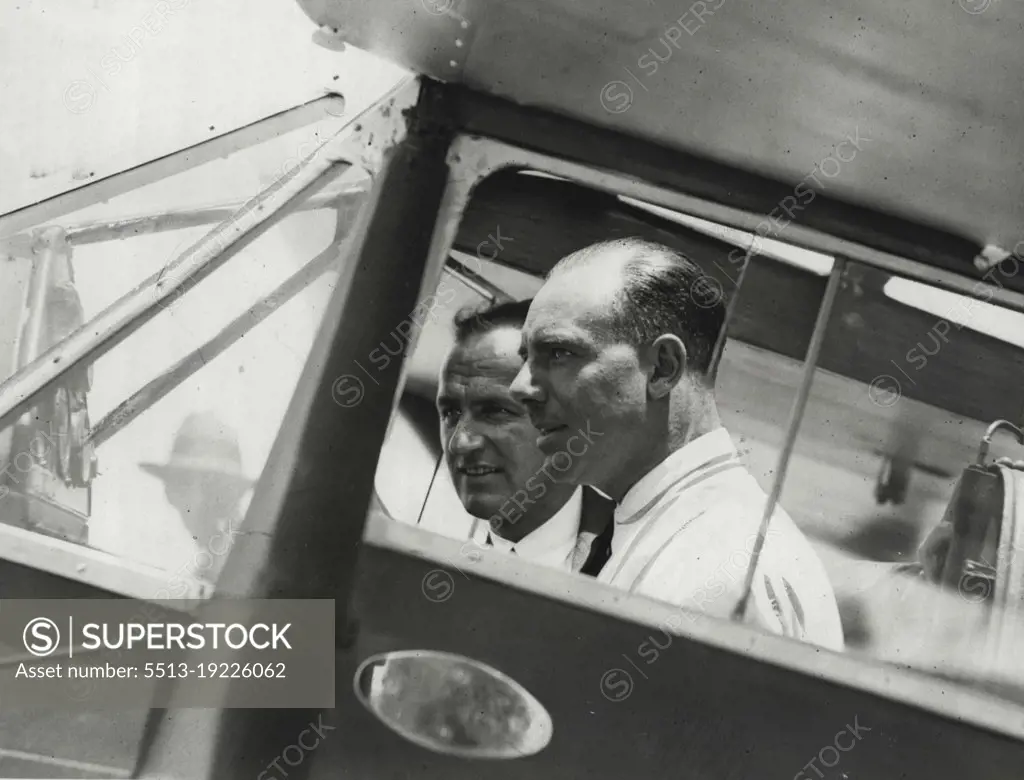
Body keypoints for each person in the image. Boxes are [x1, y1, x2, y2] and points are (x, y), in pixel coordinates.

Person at [509, 238, 844, 650]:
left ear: (663, 368)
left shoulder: (715, 567)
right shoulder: (674, 525)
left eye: (558, 352)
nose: (520, 386)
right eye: (525, 357)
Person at [436, 300, 613, 575]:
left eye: (496, 411)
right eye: (450, 413)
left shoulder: (641, 555)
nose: (460, 443)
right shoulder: (434, 563)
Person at [140, 410, 252, 587]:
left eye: (179, 485)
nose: (173, 498)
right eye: (173, 486)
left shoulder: (235, 564)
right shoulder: (213, 559)